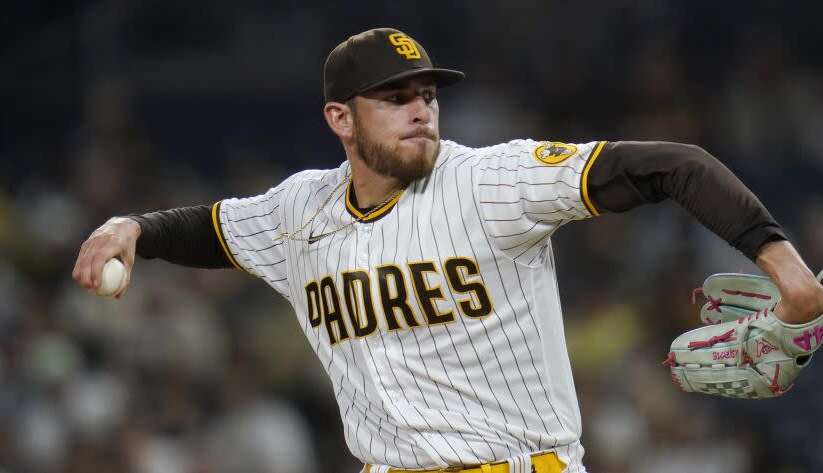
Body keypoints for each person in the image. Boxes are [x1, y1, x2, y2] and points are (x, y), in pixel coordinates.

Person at [73, 28, 823, 473]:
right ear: (340, 117)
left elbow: (673, 163)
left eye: (427, 94)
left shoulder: (492, 180)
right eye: (396, 97)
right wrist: (133, 226)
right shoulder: (298, 209)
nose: (421, 110)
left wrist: (789, 276)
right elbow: (210, 229)